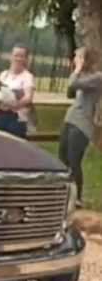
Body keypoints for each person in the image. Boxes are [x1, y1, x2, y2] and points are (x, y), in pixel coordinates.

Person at [59, 47, 102, 208]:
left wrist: (76, 71)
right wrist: (76, 72)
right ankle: (63, 192)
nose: (76, 59)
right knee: (63, 157)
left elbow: (74, 83)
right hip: (70, 118)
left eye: (78, 57)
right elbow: (70, 92)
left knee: (74, 160)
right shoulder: (81, 76)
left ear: (87, 59)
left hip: (82, 123)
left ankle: (78, 198)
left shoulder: (97, 78)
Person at [0, 44, 35, 138]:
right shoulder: (4, 75)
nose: (18, 58)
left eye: (21, 56)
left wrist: (15, 105)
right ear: (11, 57)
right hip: (1, 115)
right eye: (16, 55)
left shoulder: (27, 77)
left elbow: (28, 97)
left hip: (16, 117)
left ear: (25, 59)